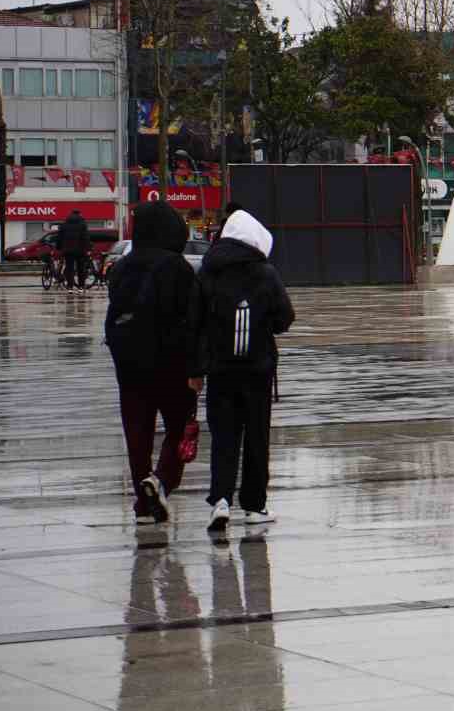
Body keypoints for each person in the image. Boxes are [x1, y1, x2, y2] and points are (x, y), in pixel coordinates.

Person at [190, 209, 296, 531]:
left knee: (223, 437)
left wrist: (196, 369)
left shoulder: (207, 272)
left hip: (221, 370)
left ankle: (220, 500)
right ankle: (254, 506)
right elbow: (284, 318)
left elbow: (195, 324)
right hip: (258, 370)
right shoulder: (265, 273)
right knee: (256, 438)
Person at [105, 201, 200, 524]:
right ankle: (159, 482)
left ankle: (143, 503)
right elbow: (191, 320)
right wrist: (196, 366)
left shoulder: (121, 268)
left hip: (129, 365)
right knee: (178, 430)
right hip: (171, 363)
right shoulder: (177, 267)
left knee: (137, 433)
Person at [56, 208, 91, 291]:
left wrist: (59, 247)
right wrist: (88, 248)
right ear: (80, 214)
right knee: (81, 268)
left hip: (68, 250)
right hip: (80, 250)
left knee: (69, 268)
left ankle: (70, 287)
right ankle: (81, 287)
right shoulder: (83, 224)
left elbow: (60, 237)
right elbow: (85, 237)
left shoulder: (64, 224)